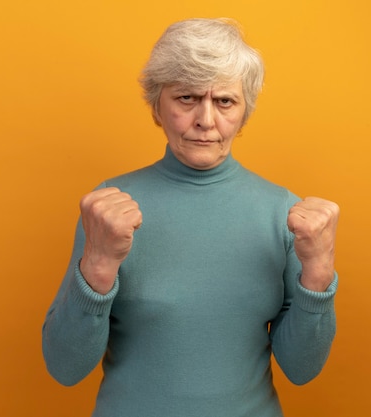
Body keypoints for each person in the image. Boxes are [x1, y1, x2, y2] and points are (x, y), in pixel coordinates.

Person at [42, 17, 340, 417]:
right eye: (186, 98)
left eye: (225, 101)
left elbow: (302, 370)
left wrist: (318, 273)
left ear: (244, 111)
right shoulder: (107, 208)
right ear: (157, 107)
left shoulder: (285, 214)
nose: (205, 120)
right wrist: (98, 266)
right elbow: (65, 368)